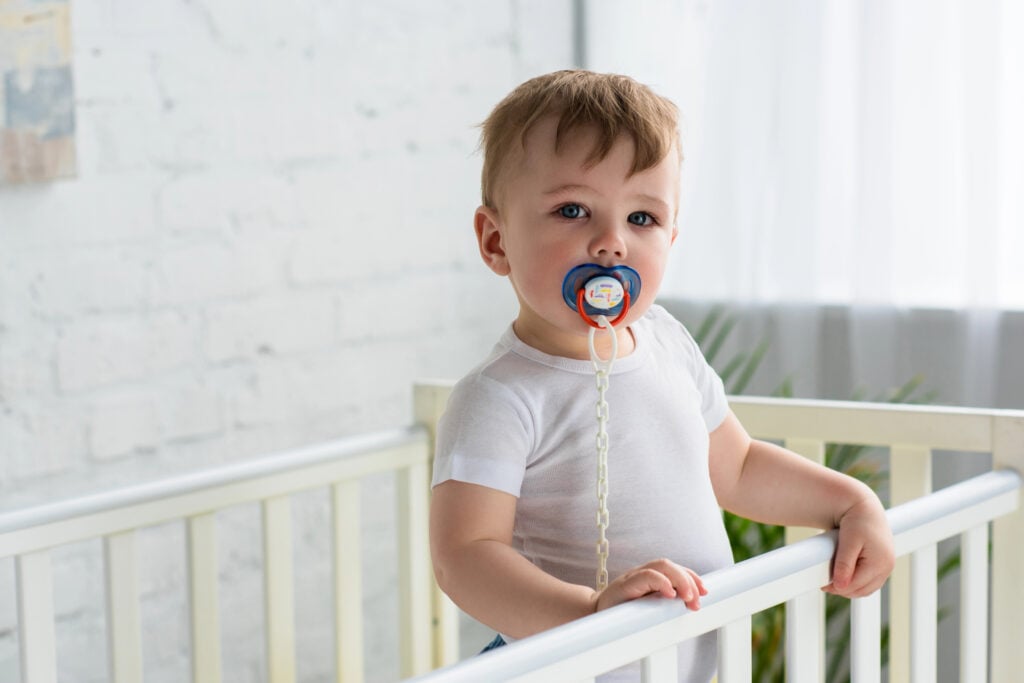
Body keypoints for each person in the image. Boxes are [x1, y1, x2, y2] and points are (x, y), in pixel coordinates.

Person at [429, 70, 894, 682]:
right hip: (574, 669)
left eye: (643, 218)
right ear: (496, 241)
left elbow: (739, 466)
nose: (611, 242)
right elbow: (466, 555)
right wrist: (592, 611)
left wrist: (851, 502)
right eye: (572, 210)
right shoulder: (499, 396)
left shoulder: (667, 341)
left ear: (671, 235)